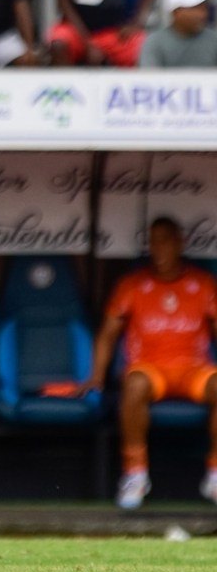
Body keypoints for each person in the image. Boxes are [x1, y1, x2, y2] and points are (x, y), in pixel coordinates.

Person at [90, 218, 217, 511]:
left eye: (165, 240)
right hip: (150, 368)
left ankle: (214, 473)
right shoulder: (132, 285)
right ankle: (135, 473)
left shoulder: (203, 283)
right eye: (153, 241)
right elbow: (107, 335)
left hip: (193, 368)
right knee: (133, 384)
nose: (158, 248)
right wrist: (95, 377)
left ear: (179, 243)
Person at [142, 0, 217, 67]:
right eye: (194, 8)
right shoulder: (155, 42)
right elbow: (149, 77)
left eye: (204, 8)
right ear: (176, 12)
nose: (202, 14)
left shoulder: (214, 40)